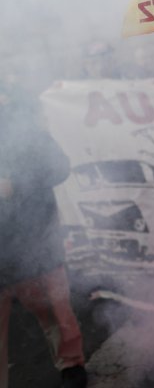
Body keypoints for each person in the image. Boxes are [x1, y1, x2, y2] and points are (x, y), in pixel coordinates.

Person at [0, 86, 87, 388]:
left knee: (56, 314)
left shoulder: (21, 122)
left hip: (35, 242)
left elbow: (59, 167)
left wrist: (16, 184)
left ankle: (72, 366)